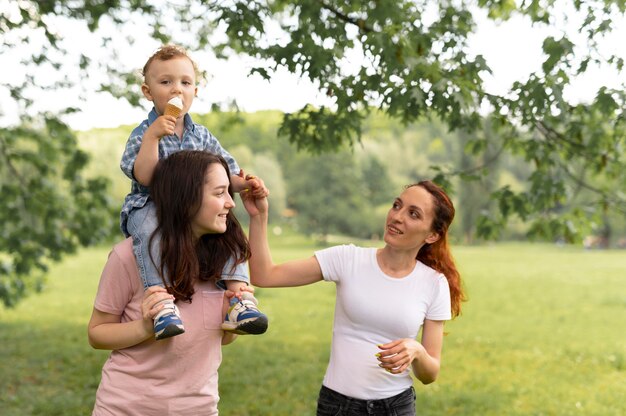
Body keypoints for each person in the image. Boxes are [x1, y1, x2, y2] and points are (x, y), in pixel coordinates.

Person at [242, 180, 465, 416]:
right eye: (397, 205)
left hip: (396, 408)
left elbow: (430, 374)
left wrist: (417, 351)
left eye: (413, 213)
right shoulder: (348, 259)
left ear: (432, 235)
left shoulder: (434, 283)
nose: (397, 216)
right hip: (338, 406)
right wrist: (259, 216)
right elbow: (265, 275)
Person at [89, 150, 260, 415]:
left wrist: (230, 322)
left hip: (198, 409)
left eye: (229, 193)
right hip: (126, 408)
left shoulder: (225, 263)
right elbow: (97, 333)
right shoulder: (129, 257)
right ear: (186, 198)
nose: (230, 203)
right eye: (219, 193)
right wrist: (146, 327)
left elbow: (220, 341)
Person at [119, 44, 268, 340]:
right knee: (149, 231)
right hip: (152, 204)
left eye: (185, 83)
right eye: (166, 82)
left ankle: (239, 300)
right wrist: (153, 136)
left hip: (193, 208)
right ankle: (160, 302)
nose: (177, 89)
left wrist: (244, 184)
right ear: (148, 92)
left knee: (229, 227)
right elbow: (145, 176)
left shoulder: (201, 135)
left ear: (195, 92)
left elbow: (226, 170)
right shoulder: (143, 133)